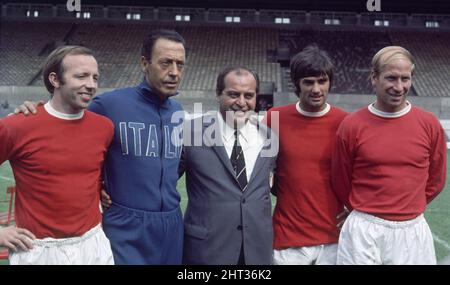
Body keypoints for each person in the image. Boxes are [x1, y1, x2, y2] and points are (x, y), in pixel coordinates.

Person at [13, 29, 186, 265]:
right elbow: (66, 118)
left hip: (172, 225)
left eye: (180, 64)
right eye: (166, 63)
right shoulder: (108, 105)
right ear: (145, 63)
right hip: (126, 225)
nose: (174, 72)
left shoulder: (177, 111)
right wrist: (37, 110)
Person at [331, 46, 447, 265]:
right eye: (391, 78)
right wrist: (365, 209)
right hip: (363, 231)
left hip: (412, 231)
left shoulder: (429, 123)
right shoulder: (352, 125)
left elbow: (436, 179)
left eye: (405, 79)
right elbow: (340, 179)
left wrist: (406, 205)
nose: (399, 87)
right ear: (374, 78)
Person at [0, 45, 114, 265]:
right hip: (39, 251)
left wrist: (99, 190)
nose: (91, 85)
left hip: (94, 246)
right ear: (55, 79)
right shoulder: (17, 126)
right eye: (81, 76)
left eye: (95, 77)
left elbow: (86, 171)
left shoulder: (104, 128)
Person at [179, 66, 278, 265]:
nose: (241, 103)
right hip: (206, 251)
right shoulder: (191, 133)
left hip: (256, 252)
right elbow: (162, 181)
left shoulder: (268, 137)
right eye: (233, 94)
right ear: (218, 94)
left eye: (248, 95)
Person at [265, 45, 348, 265]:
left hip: (335, 239)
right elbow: (263, 170)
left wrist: (357, 209)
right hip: (288, 238)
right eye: (308, 82)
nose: (316, 89)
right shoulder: (274, 118)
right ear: (296, 84)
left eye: (322, 81)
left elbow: (361, 174)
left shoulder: (346, 123)